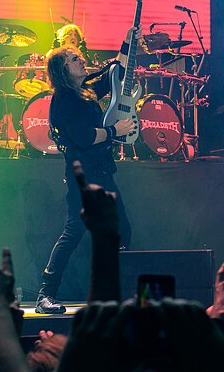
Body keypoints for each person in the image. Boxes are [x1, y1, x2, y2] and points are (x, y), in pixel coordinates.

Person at [34, 27, 140, 314]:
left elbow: (117, 71)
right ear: (61, 69)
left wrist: (127, 40)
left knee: (122, 229)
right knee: (74, 232)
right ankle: (45, 296)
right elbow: (83, 137)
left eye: (79, 56)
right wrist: (113, 130)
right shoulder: (64, 99)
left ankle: (117, 291)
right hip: (83, 177)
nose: (81, 59)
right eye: (73, 58)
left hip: (102, 173)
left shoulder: (86, 91)